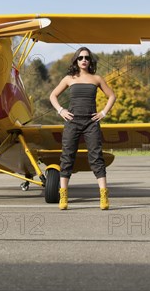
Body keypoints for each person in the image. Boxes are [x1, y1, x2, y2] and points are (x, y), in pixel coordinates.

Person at [49, 47, 116, 210]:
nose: (83, 60)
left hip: (91, 122)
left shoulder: (97, 78)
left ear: (90, 61)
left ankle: (104, 196)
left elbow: (112, 96)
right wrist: (61, 110)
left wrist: (103, 113)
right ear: (76, 61)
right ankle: (63, 196)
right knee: (67, 157)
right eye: (80, 58)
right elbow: (52, 95)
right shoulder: (69, 79)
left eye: (86, 58)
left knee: (96, 157)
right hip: (72, 122)